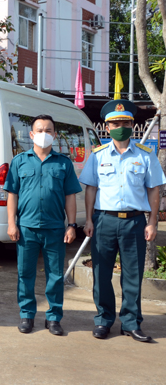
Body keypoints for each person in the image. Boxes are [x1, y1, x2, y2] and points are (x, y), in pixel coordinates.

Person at [79, 100, 166, 342]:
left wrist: (152, 222)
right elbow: (91, 189)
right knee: (101, 273)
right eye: (116, 123)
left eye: (125, 122)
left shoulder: (146, 156)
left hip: (134, 222)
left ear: (132, 125)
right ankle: (104, 320)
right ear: (108, 127)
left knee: (133, 275)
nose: (121, 126)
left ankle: (130, 322)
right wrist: (88, 219)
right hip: (104, 220)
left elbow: (154, 191)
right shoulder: (98, 156)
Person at [4, 114, 82, 336]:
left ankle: (54, 317)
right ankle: (27, 315)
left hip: (55, 228)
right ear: (31, 135)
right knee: (25, 273)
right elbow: (12, 195)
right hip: (26, 227)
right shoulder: (19, 162)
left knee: (55, 275)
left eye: (48, 131)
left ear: (55, 135)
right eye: (39, 130)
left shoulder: (63, 163)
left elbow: (70, 196)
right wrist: (12, 223)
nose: (44, 134)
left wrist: (72, 225)